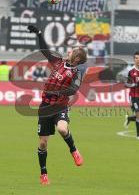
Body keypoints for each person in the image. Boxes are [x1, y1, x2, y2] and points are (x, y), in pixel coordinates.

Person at [27, 25, 87, 185]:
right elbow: (44, 50)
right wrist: (39, 33)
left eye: (72, 51)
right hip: (45, 107)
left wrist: (58, 93)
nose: (69, 51)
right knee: (43, 143)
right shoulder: (58, 61)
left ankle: (74, 150)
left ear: (76, 59)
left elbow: (74, 89)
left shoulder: (77, 73)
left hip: (60, 107)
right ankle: (43, 174)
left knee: (62, 128)